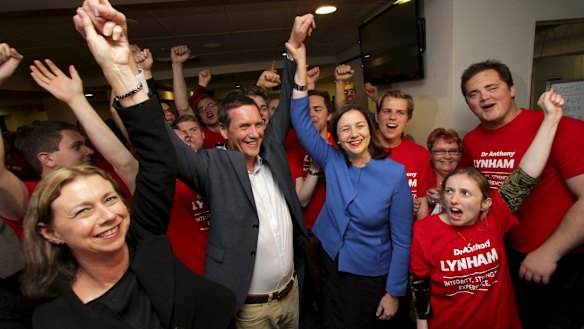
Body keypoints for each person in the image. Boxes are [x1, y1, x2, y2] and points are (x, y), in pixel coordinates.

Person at [21, 3, 237, 329]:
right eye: (82, 211)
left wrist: (120, 70)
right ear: (50, 232)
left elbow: (158, 160)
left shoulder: (143, 239)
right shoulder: (55, 317)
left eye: (109, 199)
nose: (107, 215)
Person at [101, 8, 313, 329]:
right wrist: (135, 77)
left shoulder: (271, 150)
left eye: (258, 124)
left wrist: (295, 48)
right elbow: (160, 138)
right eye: (243, 127)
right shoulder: (211, 166)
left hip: (291, 294)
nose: (254, 133)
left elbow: (286, 97)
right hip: (249, 308)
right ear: (224, 132)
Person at [410, 89, 564, 329]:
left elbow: (526, 175)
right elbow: (420, 285)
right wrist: (421, 325)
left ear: (485, 203)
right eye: (449, 191)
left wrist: (551, 119)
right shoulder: (425, 230)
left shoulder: (493, 217)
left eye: (465, 193)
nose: (454, 200)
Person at [288, 38, 413, 329]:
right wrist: (300, 63)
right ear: (337, 138)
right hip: (331, 265)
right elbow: (299, 118)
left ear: (370, 130)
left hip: (371, 275)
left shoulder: (394, 173)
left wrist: (394, 292)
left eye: (359, 126)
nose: (353, 134)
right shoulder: (332, 160)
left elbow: (402, 240)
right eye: (345, 129)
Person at [460, 60, 584, 328]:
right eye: (474, 93)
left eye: (492, 87)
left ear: (512, 89)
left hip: (559, 260)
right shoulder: (471, 141)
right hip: (506, 256)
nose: (484, 97)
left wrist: (550, 253)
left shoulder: (559, 126)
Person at [375, 90, 433, 219]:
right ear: (377, 116)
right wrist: (399, 205)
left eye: (400, 112)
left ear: (408, 119)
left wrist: (421, 237)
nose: (393, 117)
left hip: (408, 233)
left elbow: (422, 202)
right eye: (387, 111)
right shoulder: (364, 151)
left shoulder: (419, 153)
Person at [425, 128, 462, 214]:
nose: (447, 157)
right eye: (440, 151)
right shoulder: (422, 177)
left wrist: (445, 200)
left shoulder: (468, 179)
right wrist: (423, 199)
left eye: (453, 151)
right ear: (430, 154)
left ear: (460, 155)